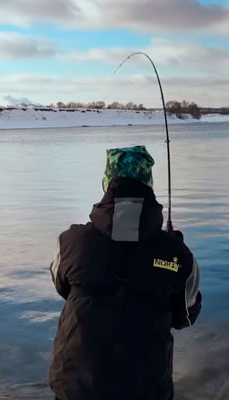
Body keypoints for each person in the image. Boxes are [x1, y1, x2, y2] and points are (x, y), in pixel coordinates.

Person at [49, 145, 202, 400]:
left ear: (107, 182)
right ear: (148, 183)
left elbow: (62, 287)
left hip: (75, 387)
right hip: (146, 389)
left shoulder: (70, 242)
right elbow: (184, 317)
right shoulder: (178, 254)